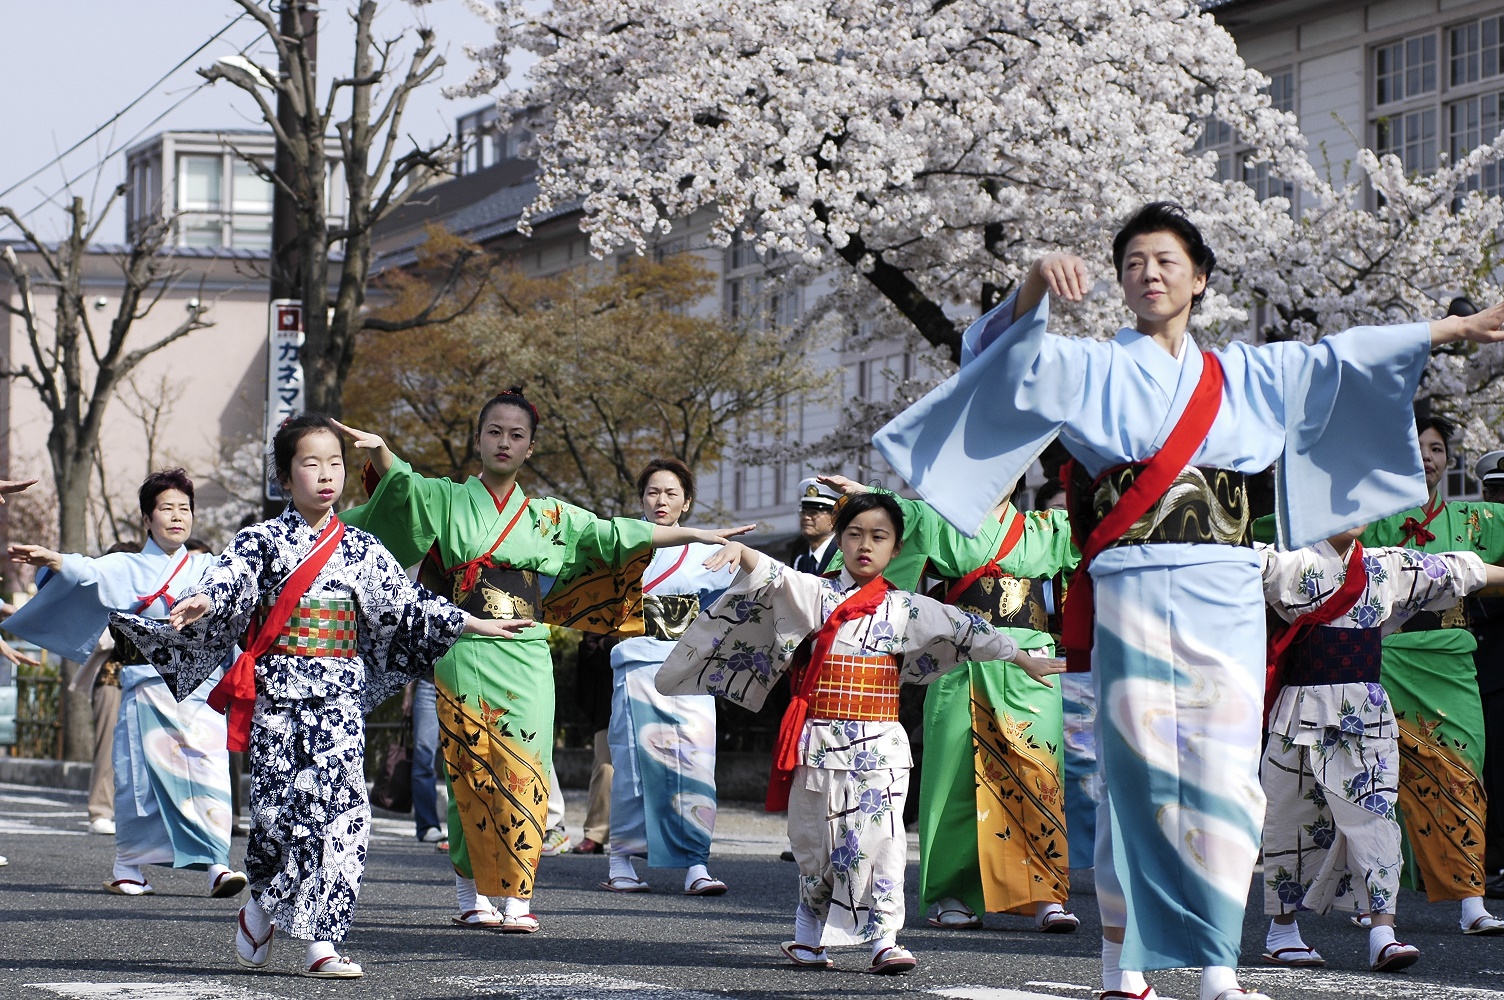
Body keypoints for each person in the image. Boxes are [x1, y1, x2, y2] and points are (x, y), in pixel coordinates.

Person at [871, 201, 1504, 1000]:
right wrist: (1032, 284)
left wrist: (1456, 328)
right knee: (1135, 778)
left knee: (1226, 780)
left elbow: (1341, 358)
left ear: (1199, 278)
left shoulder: (1246, 373)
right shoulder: (1089, 366)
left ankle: (1215, 966)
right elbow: (997, 361)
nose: (1149, 273)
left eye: (1166, 260)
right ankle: (1121, 967)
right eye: (1134, 262)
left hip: (1224, 587)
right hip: (1129, 588)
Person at [110, 413, 530, 979]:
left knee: (342, 820)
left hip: (338, 702)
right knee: (281, 822)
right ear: (286, 478)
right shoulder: (260, 541)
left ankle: (321, 945)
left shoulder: (361, 548)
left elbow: (406, 606)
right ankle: (261, 907)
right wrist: (205, 600)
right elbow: (230, 578)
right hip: (279, 699)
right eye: (311, 464)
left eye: (335, 463)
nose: (327, 474)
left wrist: (472, 622)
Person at [336, 390, 751, 933]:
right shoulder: (447, 498)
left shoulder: (549, 516)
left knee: (527, 766)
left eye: (517, 435)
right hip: (464, 645)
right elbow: (404, 488)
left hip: (528, 649)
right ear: (479, 439)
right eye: (494, 432)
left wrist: (694, 533)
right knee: (470, 767)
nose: (504, 442)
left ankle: (517, 895)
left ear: (530, 448)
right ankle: (469, 892)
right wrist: (382, 451)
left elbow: (613, 534)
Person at [657, 492, 1066, 974]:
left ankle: (884, 941)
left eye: (879, 537)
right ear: (840, 540)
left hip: (880, 747)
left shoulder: (908, 607)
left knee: (881, 842)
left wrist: (1023, 658)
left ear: (897, 549)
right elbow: (774, 575)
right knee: (819, 844)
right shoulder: (815, 593)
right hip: (820, 742)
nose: (865, 546)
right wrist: (742, 552)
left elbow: (969, 629)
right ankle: (807, 934)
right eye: (854, 535)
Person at [819, 475, 1082, 933]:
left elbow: (1097, 532)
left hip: (1031, 666)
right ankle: (953, 893)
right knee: (955, 777)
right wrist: (870, 495)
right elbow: (901, 515)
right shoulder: (941, 522)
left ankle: (1045, 893)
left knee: (1037, 775)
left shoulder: (1047, 528)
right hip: (961, 659)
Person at [1258, 522, 1504, 973]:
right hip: (1299, 711)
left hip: (1366, 712)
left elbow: (1458, 570)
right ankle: (1282, 931)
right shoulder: (1284, 562)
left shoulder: (1386, 565)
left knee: (1377, 818)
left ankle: (1382, 935)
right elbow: (1227, 569)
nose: (1353, 512)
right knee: (1290, 820)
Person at [7, 470, 246, 899]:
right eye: (167, 508)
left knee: (208, 770)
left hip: (200, 688)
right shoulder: (127, 565)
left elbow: (239, 587)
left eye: (185, 509)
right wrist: (56, 560)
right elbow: (88, 572)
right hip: (145, 686)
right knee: (141, 778)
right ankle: (128, 867)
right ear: (147, 519)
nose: (178, 516)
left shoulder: (208, 567)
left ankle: (216, 864)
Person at [1358, 415, 1504, 933]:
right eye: (1418, 447)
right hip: (1391, 657)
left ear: (1448, 459)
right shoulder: (1372, 516)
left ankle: (1471, 901)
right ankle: (1374, 894)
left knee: (1465, 770)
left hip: (1453, 658)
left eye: (1437, 448)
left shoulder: (1473, 519)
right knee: (1384, 778)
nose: (1428, 457)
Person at [603, 458, 735, 896]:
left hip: (689, 668)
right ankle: (621, 859)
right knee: (633, 762)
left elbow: (740, 602)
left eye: (671, 493)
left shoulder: (709, 549)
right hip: (637, 663)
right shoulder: (623, 544)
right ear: (641, 499)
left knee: (696, 761)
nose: (661, 501)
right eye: (653, 492)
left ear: (687, 502)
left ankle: (696, 862)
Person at [73, 540, 143, 836]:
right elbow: (96, 640)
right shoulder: (101, 599)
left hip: (149, 679)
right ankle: (100, 809)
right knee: (109, 745)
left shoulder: (149, 594)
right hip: (113, 677)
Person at [1475, 449, 1504, 898]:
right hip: (1484, 668)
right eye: (1493, 495)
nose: (1499, 504)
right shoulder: (1473, 537)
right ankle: (1494, 858)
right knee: (1491, 770)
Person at [573, 632, 618, 854]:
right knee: (604, 766)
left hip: (647, 687)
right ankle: (596, 833)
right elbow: (589, 645)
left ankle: (651, 838)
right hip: (609, 700)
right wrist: (603, 643)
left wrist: (608, 643)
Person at [402, 678, 445, 847]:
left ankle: (467, 830)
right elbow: (412, 663)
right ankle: (427, 826)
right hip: (428, 685)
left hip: (462, 684)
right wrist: (408, 694)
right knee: (423, 757)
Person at [791, 478, 840, 574]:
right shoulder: (800, 560)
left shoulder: (842, 556)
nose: (806, 517)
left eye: (814, 512)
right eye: (803, 512)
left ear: (834, 517)